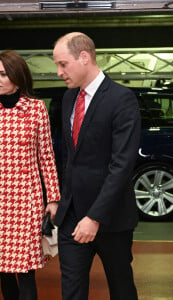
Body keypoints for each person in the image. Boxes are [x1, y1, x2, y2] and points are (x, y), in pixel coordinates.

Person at [53, 32, 141, 299]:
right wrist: (59, 200)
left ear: (84, 57)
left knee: (121, 287)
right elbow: (70, 158)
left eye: (63, 64)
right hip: (71, 217)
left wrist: (94, 217)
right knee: (72, 291)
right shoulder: (69, 99)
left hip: (110, 219)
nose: (58, 72)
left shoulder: (121, 99)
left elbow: (121, 165)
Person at [0, 50, 60, 300]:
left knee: (26, 270)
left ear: (18, 78)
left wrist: (53, 198)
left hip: (27, 202)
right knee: (4, 270)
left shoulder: (36, 109)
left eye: (3, 74)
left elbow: (46, 156)